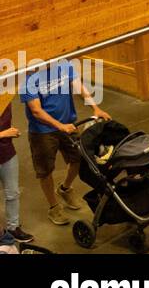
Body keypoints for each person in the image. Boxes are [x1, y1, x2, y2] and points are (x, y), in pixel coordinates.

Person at [20, 59, 110, 226]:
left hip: (69, 124)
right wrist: (59, 126)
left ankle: (65, 188)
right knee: (45, 170)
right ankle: (53, 206)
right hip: (43, 132)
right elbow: (36, 111)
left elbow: (78, 86)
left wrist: (96, 108)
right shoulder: (29, 78)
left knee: (78, 159)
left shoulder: (64, 64)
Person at [0, 68, 33, 243]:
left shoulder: (5, 92)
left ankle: (13, 228)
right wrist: (3, 134)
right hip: (5, 142)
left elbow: (24, 71)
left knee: (12, 193)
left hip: (7, 153)